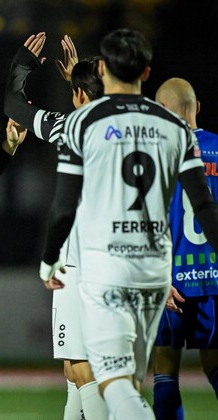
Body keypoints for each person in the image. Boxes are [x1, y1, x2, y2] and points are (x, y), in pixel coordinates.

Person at [39, 28, 218, 420]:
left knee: (113, 383)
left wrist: (49, 259)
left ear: (102, 68)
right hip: (155, 272)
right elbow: (204, 205)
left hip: (107, 267)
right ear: (147, 72)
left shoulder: (81, 123)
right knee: (130, 383)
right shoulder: (175, 127)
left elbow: (64, 206)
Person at [4, 32, 108, 419]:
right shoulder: (130, 129)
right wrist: (79, 82)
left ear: (79, 94)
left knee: (81, 368)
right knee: (73, 368)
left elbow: (14, 105)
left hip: (77, 258)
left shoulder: (69, 127)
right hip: (117, 257)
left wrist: (21, 66)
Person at [151, 77, 218, 419]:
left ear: (163, 111)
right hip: (214, 280)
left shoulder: (158, 153)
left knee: (165, 368)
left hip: (172, 280)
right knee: (215, 364)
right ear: (197, 108)